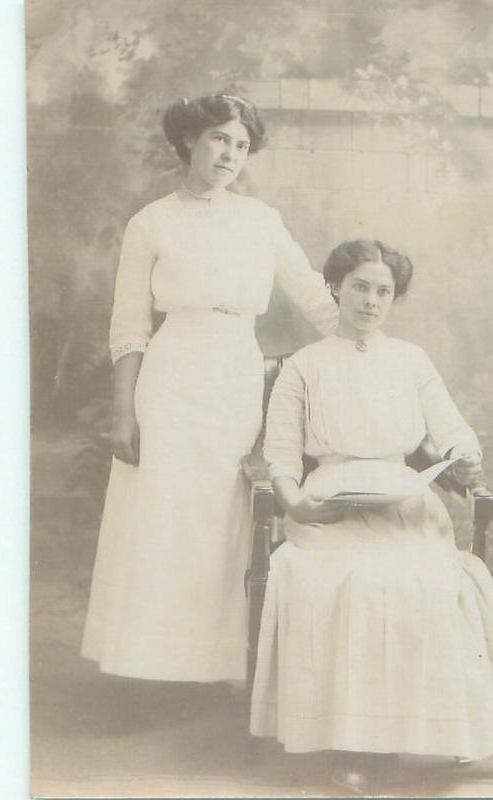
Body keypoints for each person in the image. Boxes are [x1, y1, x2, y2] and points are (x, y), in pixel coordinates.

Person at [250, 239, 493, 790]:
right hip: (328, 504)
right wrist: (296, 504)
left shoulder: (411, 360)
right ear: (335, 287)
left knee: (423, 580)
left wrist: (464, 458)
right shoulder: (304, 367)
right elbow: (283, 455)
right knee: (352, 581)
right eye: (360, 286)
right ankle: (354, 747)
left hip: (405, 502)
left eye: (384, 291)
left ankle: (421, 733)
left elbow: (451, 430)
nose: (371, 300)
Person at [81, 94, 338, 684]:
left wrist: (363, 343)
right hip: (169, 378)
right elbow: (128, 325)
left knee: (220, 518)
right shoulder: (151, 222)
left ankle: (216, 664)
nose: (231, 153)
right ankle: (147, 664)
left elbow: (315, 295)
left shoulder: (261, 221)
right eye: (220, 139)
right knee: (163, 516)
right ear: (190, 141)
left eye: (242, 144)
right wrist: (124, 412)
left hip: (234, 374)